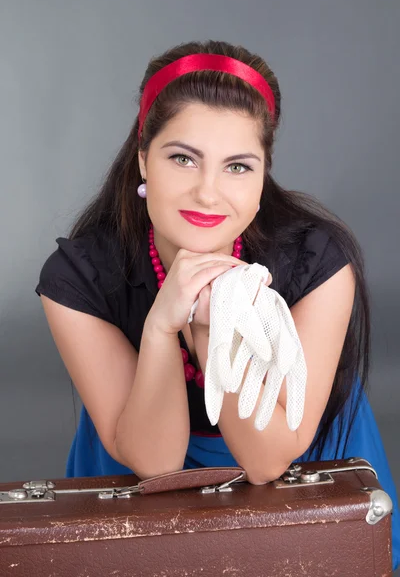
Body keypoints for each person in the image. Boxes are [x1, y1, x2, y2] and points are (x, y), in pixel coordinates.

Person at [35, 40, 399, 570]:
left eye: (238, 167)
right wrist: (162, 325)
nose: (208, 192)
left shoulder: (317, 261)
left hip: (295, 453)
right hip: (139, 447)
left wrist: (211, 322)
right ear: (143, 160)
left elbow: (268, 459)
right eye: (183, 158)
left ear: (262, 178)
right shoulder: (80, 276)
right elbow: (155, 465)